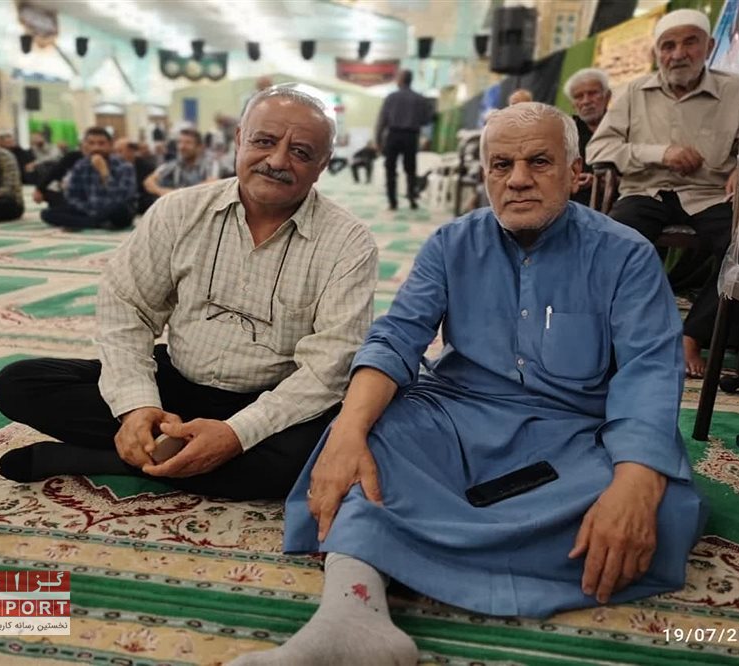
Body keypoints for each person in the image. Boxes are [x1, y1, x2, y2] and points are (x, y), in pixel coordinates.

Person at [232, 102, 705, 666]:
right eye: (501, 165)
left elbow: (649, 371)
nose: (518, 179)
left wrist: (634, 483)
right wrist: (348, 433)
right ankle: (351, 615)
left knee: (657, 501)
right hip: (458, 416)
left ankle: (407, 546)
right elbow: (396, 338)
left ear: (575, 173)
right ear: (485, 174)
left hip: (577, 433)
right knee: (368, 447)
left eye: (539, 162)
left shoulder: (626, 254)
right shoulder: (452, 243)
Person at [0, 88, 379, 500]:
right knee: (21, 383)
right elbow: (127, 306)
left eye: (301, 152)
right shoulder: (179, 211)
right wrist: (137, 407)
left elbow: (329, 367)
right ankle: (168, 451)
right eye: (264, 141)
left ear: (322, 165)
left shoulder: (347, 243)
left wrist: (237, 433)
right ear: (239, 140)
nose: (278, 161)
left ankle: (101, 458)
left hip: (267, 401)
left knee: (313, 454)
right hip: (175, 387)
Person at [586, 9, 739, 378]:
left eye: (689, 43)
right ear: (657, 53)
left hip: (710, 193)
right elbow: (597, 149)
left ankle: (693, 335)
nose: (678, 54)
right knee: (613, 238)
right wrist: (660, 153)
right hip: (646, 191)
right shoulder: (634, 92)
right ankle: (619, 334)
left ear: (709, 47)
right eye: (668, 46)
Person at [39, 127, 136, 230]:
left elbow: (121, 198)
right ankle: (96, 223)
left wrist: (104, 173)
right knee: (47, 214)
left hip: (114, 211)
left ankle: (85, 222)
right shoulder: (81, 165)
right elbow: (72, 196)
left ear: (110, 145)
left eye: (101, 143)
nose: (96, 147)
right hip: (88, 210)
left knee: (121, 210)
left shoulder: (124, 166)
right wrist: (90, 211)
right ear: (86, 145)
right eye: (91, 143)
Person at [376, 69, 433, 211]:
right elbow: (426, 120)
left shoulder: (391, 97)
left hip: (393, 135)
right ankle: (412, 199)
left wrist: (378, 140)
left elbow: (382, 121)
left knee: (390, 169)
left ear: (401, 80)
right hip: (411, 136)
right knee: (410, 169)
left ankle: (392, 202)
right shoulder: (420, 99)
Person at [564, 68, 612, 206]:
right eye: (579, 96)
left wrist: (597, 182)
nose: (586, 101)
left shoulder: (625, 126)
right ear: (573, 104)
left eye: (593, 93)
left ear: (607, 96)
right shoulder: (565, 133)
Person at [143, 129, 214, 199]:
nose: (182, 147)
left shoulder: (208, 165)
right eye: (179, 142)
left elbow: (211, 184)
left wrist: (175, 194)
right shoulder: (173, 165)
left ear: (199, 147)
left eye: (188, 143)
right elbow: (148, 181)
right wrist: (162, 191)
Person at [114, 138, 157, 214]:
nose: (116, 155)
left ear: (131, 151)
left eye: (120, 151)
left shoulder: (147, 167)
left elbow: (149, 192)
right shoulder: (114, 167)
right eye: (115, 152)